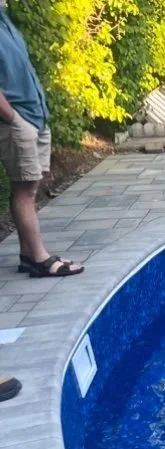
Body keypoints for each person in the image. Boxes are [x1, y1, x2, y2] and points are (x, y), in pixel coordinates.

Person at [0, 4, 82, 278]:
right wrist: (13, 119)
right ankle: (39, 258)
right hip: (16, 119)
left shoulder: (5, 19)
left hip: (34, 116)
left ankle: (28, 254)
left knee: (29, 187)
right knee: (25, 189)